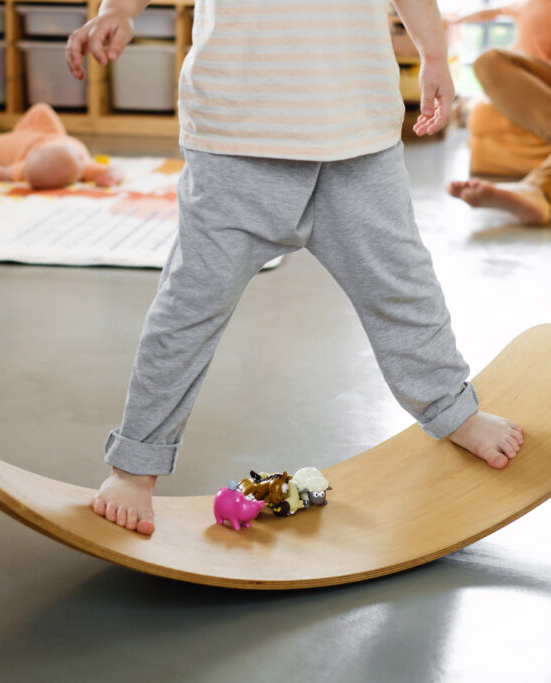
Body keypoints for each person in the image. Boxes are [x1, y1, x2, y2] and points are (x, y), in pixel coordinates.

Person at [67, 0, 525, 536]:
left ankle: (452, 410)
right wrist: (120, 8)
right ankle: (136, 465)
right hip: (237, 142)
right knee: (189, 309)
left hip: (356, 140)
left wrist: (435, 56)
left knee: (403, 289)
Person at [447, 0, 551, 225]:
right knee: (489, 61)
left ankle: (540, 190)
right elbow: (489, 12)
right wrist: (455, 20)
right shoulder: (523, 5)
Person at [0, 103, 122, 189]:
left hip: (43, 137)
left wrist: (112, 176)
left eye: (78, 157)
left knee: (41, 109)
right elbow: (4, 174)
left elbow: (4, 173)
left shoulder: (74, 165)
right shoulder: (80, 168)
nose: (82, 158)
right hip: (26, 143)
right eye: (79, 159)